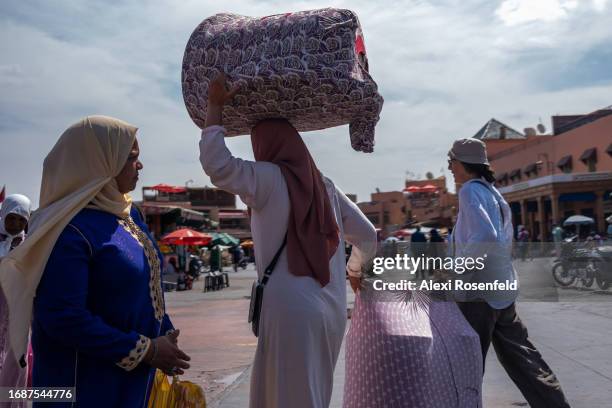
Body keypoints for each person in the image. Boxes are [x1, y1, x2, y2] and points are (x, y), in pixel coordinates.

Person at [199, 74, 377, 408]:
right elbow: (368, 235)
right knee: (313, 395)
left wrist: (215, 106)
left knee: (285, 396)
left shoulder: (267, 178)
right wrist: (355, 270)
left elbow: (216, 164)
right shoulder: (325, 186)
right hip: (332, 309)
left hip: (289, 310)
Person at [0, 116, 191, 407]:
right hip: (82, 387)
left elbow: (146, 290)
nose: (139, 166)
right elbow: (61, 316)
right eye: (131, 158)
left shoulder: (129, 216)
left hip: (132, 382)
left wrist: (165, 336)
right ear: (99, 162)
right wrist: (146, 350)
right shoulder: (67, 230)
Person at [448, 138, 570, 408]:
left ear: (462, 163)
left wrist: (455, 270)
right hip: (502, 291)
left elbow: (485, 236)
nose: (449, 168)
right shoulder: (494, 193)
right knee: (525, 360)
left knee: (464, 367)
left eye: (451, 162)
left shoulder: (469, 191)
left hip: (478, 296)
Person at [0, 194, 32, 407]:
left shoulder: (31, 244)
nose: (15, 224)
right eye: (11, 218)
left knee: (16, 363)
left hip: (19, 311)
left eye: (21, 220)